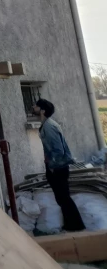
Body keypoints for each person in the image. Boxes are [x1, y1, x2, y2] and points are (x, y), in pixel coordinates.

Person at [33, 98, 85, 232]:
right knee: (61, 197)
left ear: (42, 110)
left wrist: (52, 166)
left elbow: (58, 149)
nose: (33, 107)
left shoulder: (49, 126)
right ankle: (71, 225)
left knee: (63, 197)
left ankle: (76, 225)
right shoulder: (47, 124)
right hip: (56, 166)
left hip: (57, 166)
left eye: (36, 106)